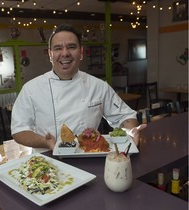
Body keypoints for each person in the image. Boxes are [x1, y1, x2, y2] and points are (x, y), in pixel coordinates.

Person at [11, 23, 146, 152]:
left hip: (88, 156)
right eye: (58, 48)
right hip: (47, 160)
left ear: (81, 52)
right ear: (50, 54)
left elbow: (124, 116)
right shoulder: (31, 89)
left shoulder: (98, 86)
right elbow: (19, 130)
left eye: (71, 47)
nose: (65, 53)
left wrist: (130, 131)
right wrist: (44, 141)